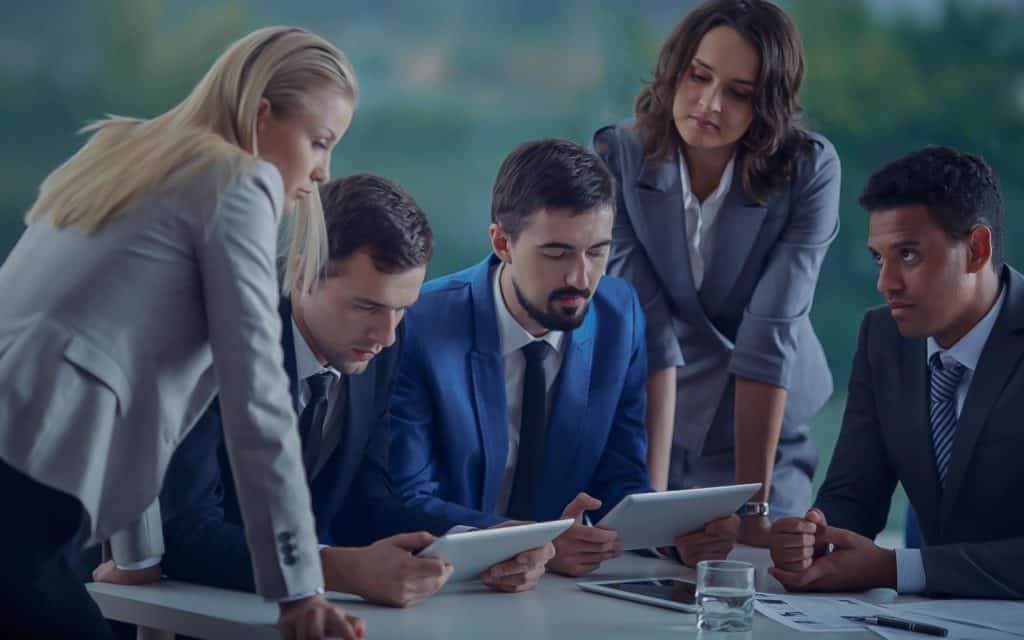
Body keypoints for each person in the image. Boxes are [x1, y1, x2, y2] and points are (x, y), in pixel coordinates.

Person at [0, 27, 365, 639]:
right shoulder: (237, 182)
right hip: (26, 482)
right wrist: (299, 589)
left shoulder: (124, 153)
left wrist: (140, 555)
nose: (324, 172)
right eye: (319, 142)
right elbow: (258, 397)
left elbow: (127, 371)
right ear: (260, 115)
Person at [95, 174, 554, 605]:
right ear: (301, 271)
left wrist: (488, 539)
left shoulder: (381, 339)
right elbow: (186, 532)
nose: (387, 334)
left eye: (402, 308)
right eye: (366, 306)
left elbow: (367, 501)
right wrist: (337, 570)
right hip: (139, 606)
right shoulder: (214, 337)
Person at [388, 138, 735, 577]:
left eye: (597, 251)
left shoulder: (619, 314)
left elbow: (620, 476)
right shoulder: (419, 324)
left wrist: (673, 539)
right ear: (502, 243)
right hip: (448, 583)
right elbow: (409, 497)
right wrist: (537, 541)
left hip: (557, 595)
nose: (581, 277)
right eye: (556, 253)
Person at [594, 0, 840, 549]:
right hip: (667, 417)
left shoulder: (809, 170)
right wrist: (651, 510)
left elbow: (769, 334)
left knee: (757, 573)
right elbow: (649, 331)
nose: (709, 104)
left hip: (767, 432)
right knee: (648, 580)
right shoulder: (622, 155)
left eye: (740, 92)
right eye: (699, 77)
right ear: (677, 70)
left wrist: (754, 513)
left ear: (768, 104)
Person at [770, 146, 1024, 599]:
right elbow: (854, 494)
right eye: (878, 258)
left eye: (907, 255)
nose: (885, 282)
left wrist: (894, 568)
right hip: (927, 621)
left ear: (977, 249)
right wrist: (816, 538)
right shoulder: (882, 337)